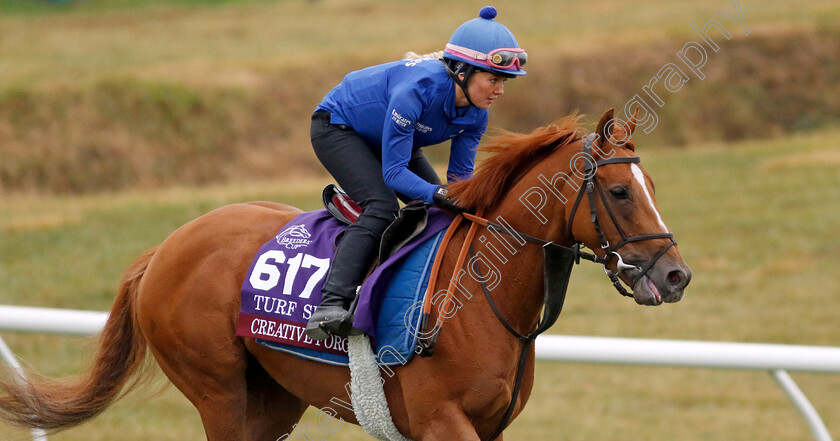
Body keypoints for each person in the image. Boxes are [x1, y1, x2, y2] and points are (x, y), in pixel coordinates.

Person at [305, 6, 527, 340]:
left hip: (386, 136)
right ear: (462, 73)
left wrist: (469, 201)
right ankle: (330, 305)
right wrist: (438, 194)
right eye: (493, 79)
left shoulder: (477, 113)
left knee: (443, 211)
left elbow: (460, 178)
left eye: (504, 82)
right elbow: (394, 173)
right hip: (338, 128)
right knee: (382, 207)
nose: (500, 90)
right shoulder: (415, 92)